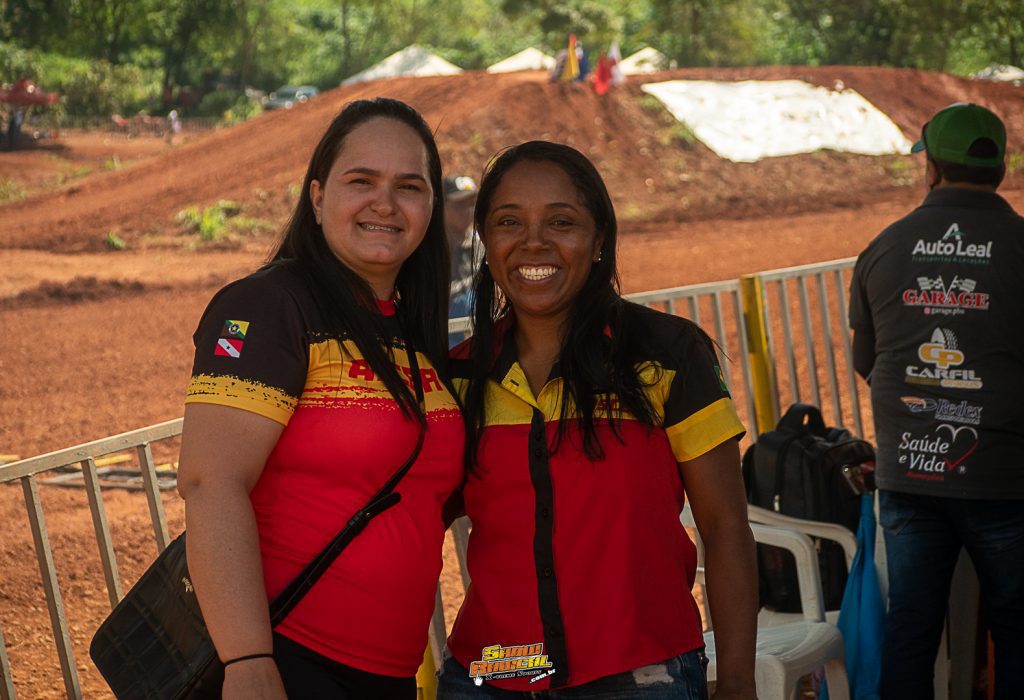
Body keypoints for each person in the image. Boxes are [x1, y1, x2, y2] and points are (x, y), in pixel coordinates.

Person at [438, 141, 758, 699]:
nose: (534, 242)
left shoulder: (668, 353)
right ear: (485, 241)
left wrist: (736, 681)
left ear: (600, 238)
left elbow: (726, 528)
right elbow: (409, 528)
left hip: (641, 675)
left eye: (561, 221)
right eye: (509, 221)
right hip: (489, 677)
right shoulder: (460, 378)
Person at [176, 97, 464, 700]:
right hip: (286, 660)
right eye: (361, 181)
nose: (385, 203)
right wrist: (248, 660)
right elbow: (211, 483)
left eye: (409, 186)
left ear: (431, 207)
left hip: (388, 675)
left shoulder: (410, 331)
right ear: (316, 197)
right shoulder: (268, 306)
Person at [848, 102, 1024, 700]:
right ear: (1000, 168)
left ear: (932, 168)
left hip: (911, 475)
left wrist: (928, 412)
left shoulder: (885, 247)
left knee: (912, 630)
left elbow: (866, 361)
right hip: (1007, 480)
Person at [444, 173, 478, 345]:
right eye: (459, 205)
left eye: (471, 204)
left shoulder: (480, 244)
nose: (467, 212)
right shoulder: (427, 247)